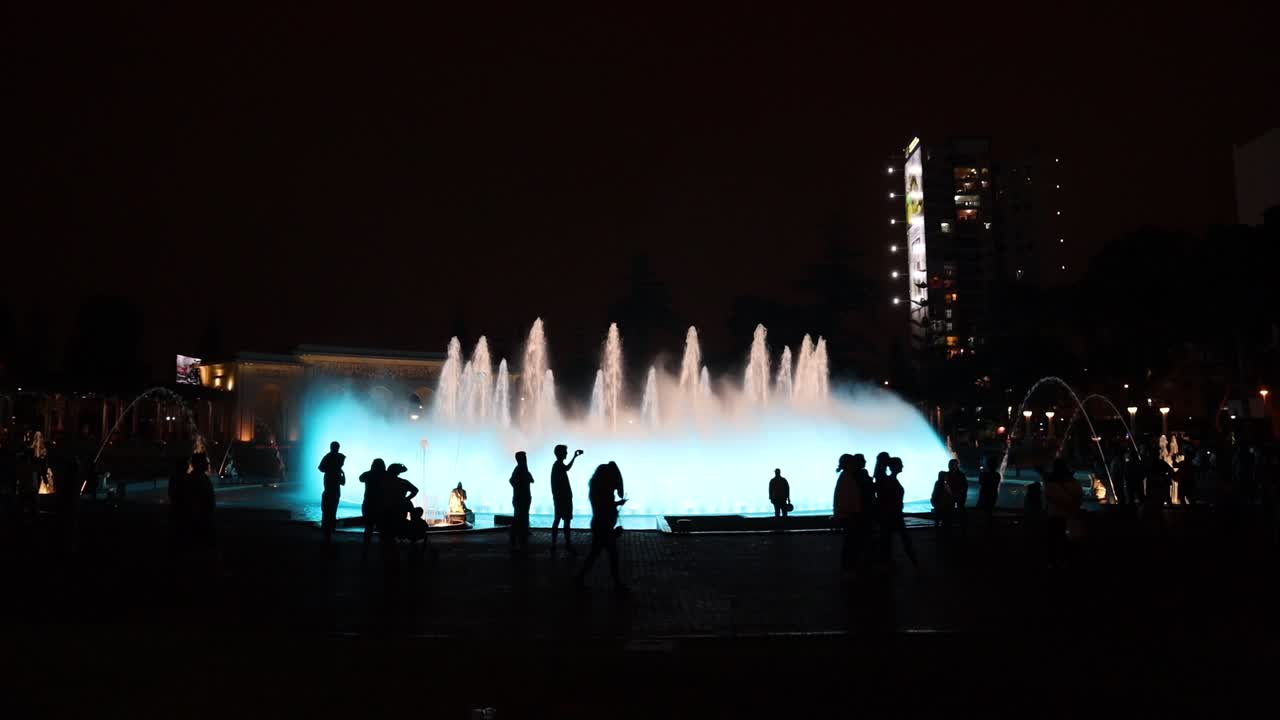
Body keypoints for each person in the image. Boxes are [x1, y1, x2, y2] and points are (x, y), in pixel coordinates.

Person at [575, 461, 628, 591]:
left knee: (595, 554)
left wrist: (617, 503)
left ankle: (579, 578)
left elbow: (603, 505)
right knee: (611, 556)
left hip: (600, 524)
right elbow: (606, 506)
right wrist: (617, 504)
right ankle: (617, 584)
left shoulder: (597, 489)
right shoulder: (604, 490)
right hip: (604, 526)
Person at [878, 457, 918, 568]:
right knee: (902, 540)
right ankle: (915, 564)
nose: (902, 466)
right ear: (894, 467)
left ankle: (888, 563)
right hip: (893, 515)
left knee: (889, 540)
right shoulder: (890, 481)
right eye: (901, 464)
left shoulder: (889, 480)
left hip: (893, 515)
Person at [1044, 459, 1082, 568]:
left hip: (1055, 516)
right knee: (1065, 540)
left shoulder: (1051, 483)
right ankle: (1065, 560)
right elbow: (1079, 495)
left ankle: (1053, 561)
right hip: (1069, 515)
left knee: (1054, 540)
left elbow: (1049, 497)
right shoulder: (1073, 482)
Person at [550, 445, 583, 555]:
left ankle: (555, 544)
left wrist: (574, 457)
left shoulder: (557, 465)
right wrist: (574, 457)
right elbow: (567, 468)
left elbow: (566, 468)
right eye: (565, 452)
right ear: (560, 453)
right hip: (563, 499)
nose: (566, 453)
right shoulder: (558, 466)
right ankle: (567, 545)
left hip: (561, 499)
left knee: (558, 520)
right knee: (565, 521)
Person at [833, 453, 863, 572]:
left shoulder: (845, 477)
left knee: (850, 543)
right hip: (850, 516)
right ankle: (848, 569)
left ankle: (848, 568)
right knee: (850, 544)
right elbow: (848, 499)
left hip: (847, 515)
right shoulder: (847, 478)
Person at [318, 441, 346, 545]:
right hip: (335, 485)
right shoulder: (340, 457)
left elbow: (320, 468)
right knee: (333, 507)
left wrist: (329, 469)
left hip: (329, 484)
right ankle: (330, 527)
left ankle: (327, 529)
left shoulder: (328, 457)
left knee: (327, 508)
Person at [359, 459, 386, 558]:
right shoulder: (385, 476)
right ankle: (382, 550)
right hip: (381, 506)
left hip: (368, 504)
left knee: (368, 527)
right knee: (382, 529)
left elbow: (360, 478)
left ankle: (365, 550)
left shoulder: (368, 475)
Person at [509, 451, 534, 550]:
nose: (525, 459)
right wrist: (518, 488)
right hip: (520, 498)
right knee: (518, 517)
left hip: (525, 497)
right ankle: (515, 537)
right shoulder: (518, 469)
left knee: (522, 516)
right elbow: (511, 480)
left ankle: (522, 533)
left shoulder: (523, 469)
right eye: (524, 457)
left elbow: (531, 480)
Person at [977, 457, 1001, 533]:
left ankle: (985, 528)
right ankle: (989, 527)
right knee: (989, 511)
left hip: (985, 494)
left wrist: (981, 472)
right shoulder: (997, 475)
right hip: (993, 494)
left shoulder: (985, 474)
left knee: (984, 512)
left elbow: (981, 482)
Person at [945, 459, 968, 537]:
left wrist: (961, 494)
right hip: (951, 496)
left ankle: (962, 528)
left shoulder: (961, 475)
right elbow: (945, 485)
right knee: (950, 511)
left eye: (955, 464)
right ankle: (950, 528)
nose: (953, 466)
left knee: (961, 511)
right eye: (952, 464)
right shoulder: (947, 474)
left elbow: (965, 486)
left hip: (959, 496)